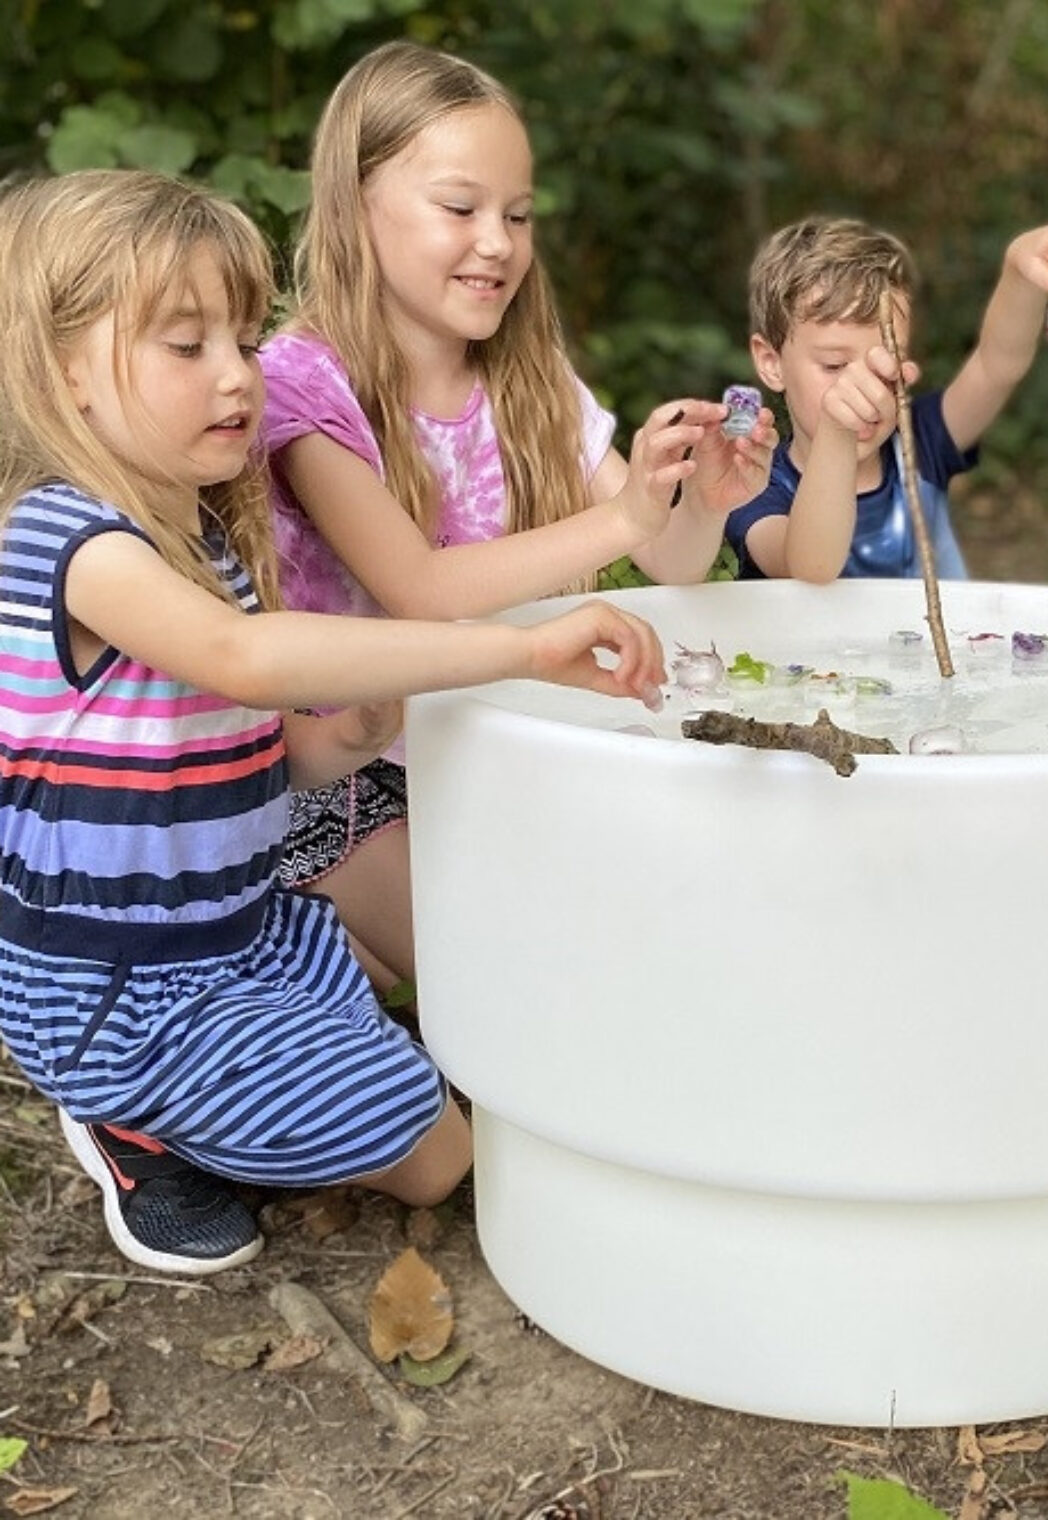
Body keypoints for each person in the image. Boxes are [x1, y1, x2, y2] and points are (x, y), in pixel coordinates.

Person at [0, 168, 670, 1276]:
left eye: (243, 340)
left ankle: (264, 1072)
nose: (235, 376)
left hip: (238, 932)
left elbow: (249, 748)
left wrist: (349, 733)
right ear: (66, 371)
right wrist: (518, 645)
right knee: (439, 1155)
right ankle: (129, 1121)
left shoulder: (200, 541)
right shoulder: (71, 541)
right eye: (185, 345)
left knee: (457, 1017)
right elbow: (245, 660)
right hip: (119, 987)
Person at [259, 40, 775, 999]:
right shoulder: (302, 388)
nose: (497, 240)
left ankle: (356, 983)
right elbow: (421, 589)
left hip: (493, 750)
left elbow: (669, 559)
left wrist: (697, 501)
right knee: (520, 985)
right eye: (461, 208)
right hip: (339, 776)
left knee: (664, 927)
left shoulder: (529, 382)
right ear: (353, 207)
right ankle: (294, 977)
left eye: (519, 215)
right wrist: (625, 514)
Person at [725, 212, 1048, 582]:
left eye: (886, 363)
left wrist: (1021, 271)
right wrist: (837, 433)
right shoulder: (753, 482)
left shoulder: (921, 442)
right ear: (771, 362)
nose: (866, 388)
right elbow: (808, 568)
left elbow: (997, 364)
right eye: (834, 365)